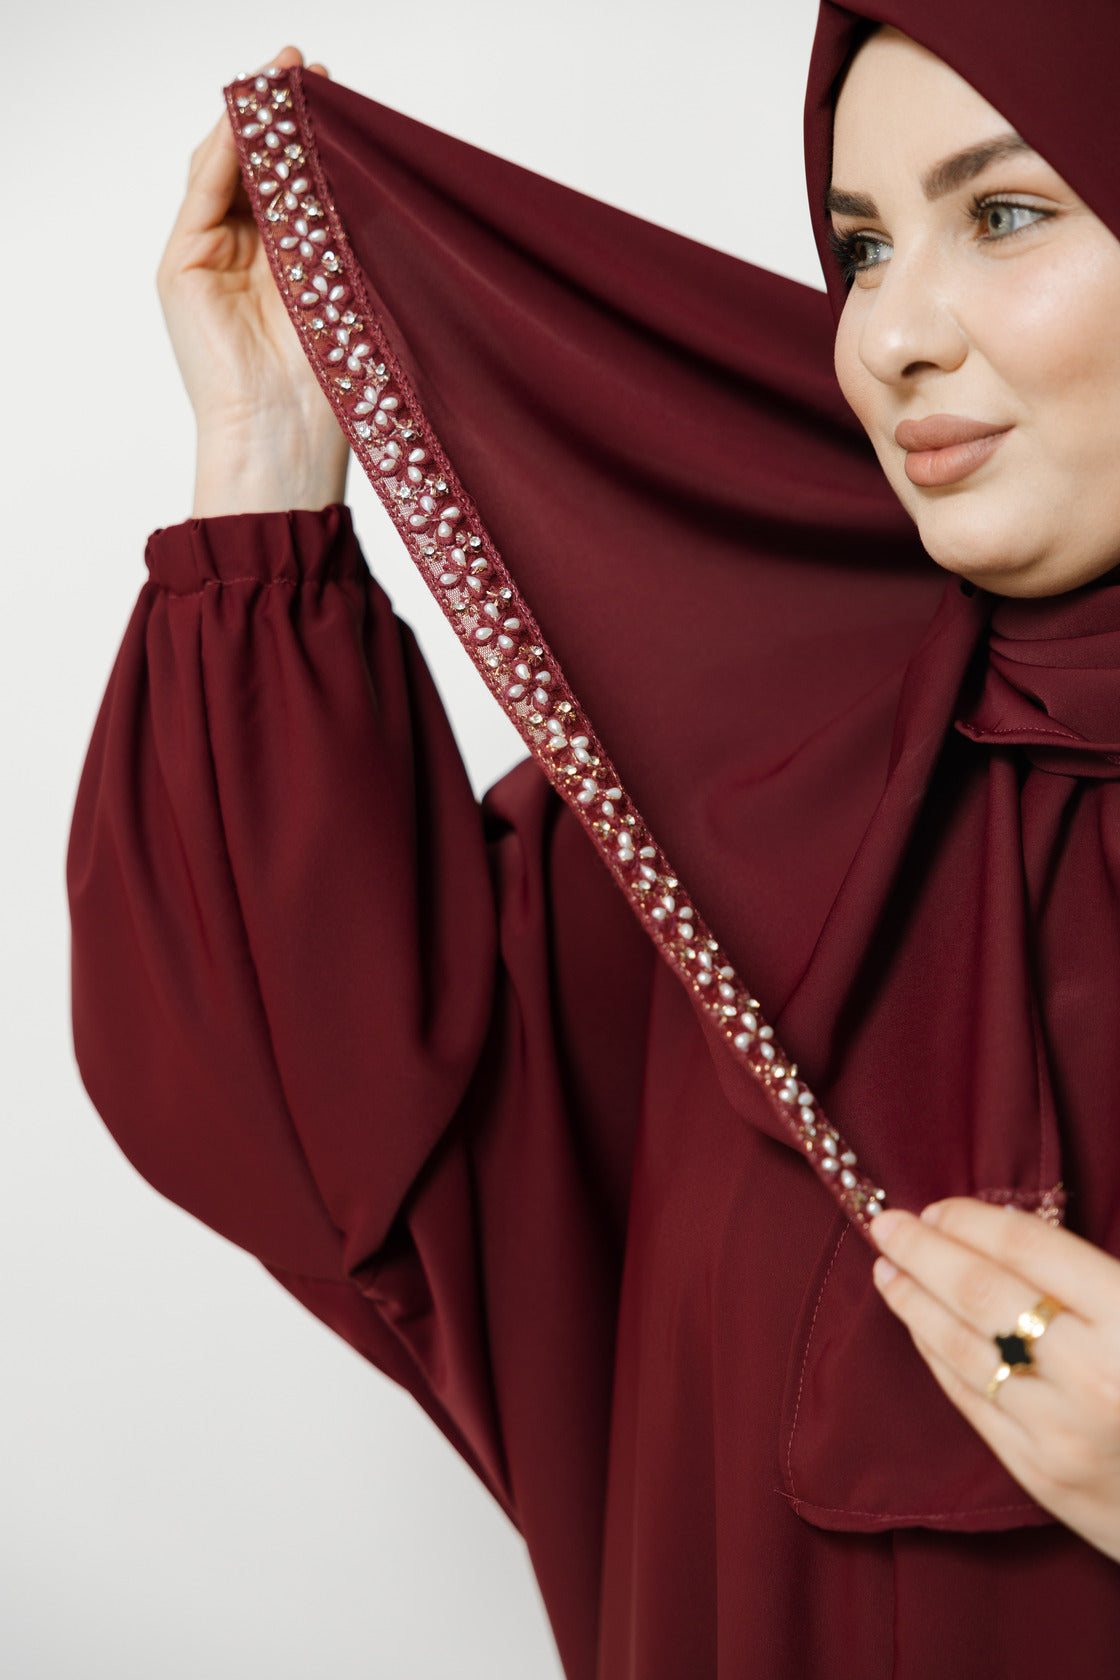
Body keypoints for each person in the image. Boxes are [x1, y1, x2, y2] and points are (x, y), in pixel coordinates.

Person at [67, 6, 1120, 1676]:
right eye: (860, 247)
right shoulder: (770, 808)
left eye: (1003, 214)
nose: (892, 336)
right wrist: (266, 459)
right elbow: (331, 1124)